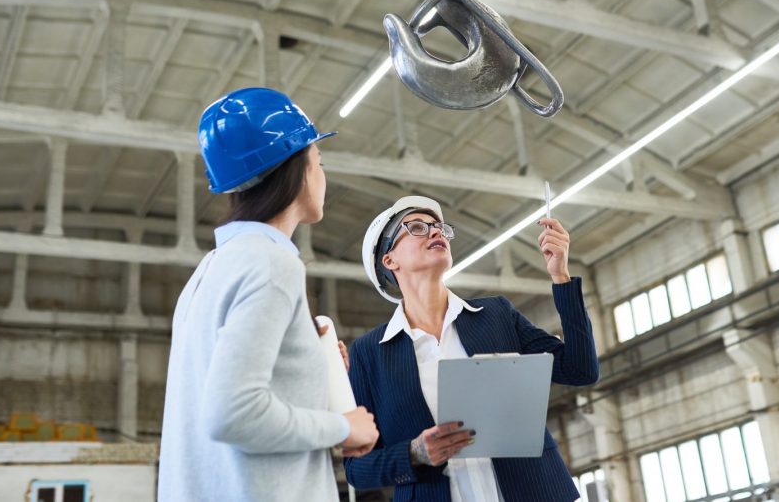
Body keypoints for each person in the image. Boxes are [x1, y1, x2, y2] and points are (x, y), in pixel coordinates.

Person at [158, 87, 378, 502]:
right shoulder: (271, 263)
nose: (322, 175)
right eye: (319, 162)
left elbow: (228, 402)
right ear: (297, 168)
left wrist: (312, 367)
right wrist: (343, 427)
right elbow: (233, 414)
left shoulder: (209, 272)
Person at [344, 196, 599, 501]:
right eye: (417, 228)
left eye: (439, 227)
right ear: (389, 261)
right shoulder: (369, 353)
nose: (436, 231)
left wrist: (560, 276)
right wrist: (414, 453)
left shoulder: (497, 315)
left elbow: (580, 369)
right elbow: (357, 468)